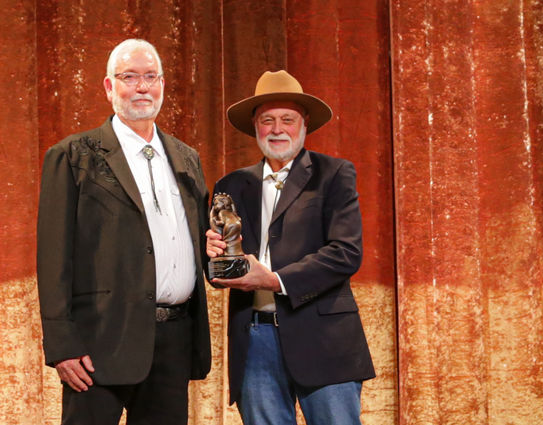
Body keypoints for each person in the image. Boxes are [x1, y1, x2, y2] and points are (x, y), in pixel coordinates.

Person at [37, 38, 211, 425]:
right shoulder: (73, 156)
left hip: (172, 340)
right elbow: (53, 259)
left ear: (163, 84)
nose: (142, 87)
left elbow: (201, 241)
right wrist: (62, 345)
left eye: (150, 77)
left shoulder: (186, 158)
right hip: (98, 343)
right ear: (108, 86)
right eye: (129, 77)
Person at [206, 70, 375, 425]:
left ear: (304, 124)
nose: (277, 129)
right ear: (255, 125)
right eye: (268, 120)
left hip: (324, 339)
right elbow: (219, 272)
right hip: (254, 341)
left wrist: (272, 280)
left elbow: (346, 252)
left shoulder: (334, 174)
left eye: (287, 119)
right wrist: (214, 256)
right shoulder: (230, 185)